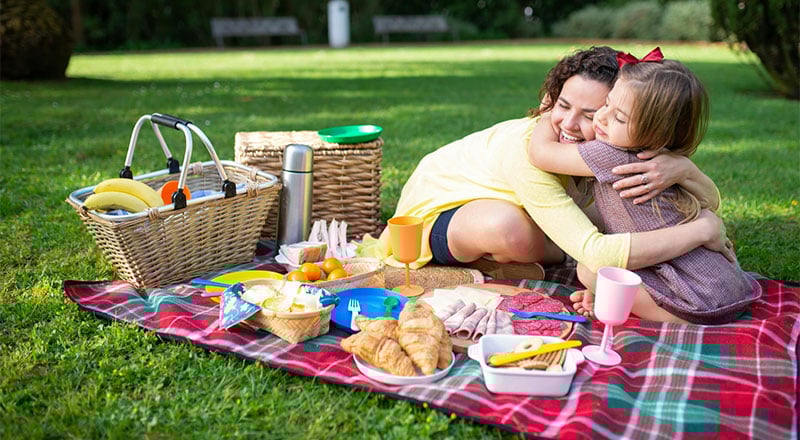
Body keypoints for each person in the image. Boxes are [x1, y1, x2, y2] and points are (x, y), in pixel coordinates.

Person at [376, 46, 732, 284]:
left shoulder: (618, 147)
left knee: (593, 224)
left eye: (591, 114)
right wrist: (702, 231)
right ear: (550, 99)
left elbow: (704, 201)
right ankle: (520, 255)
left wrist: (684, 170)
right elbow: (595, 253)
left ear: (620, 114)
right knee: (509, 227)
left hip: (519, 210)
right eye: (563, 105)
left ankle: (516, 261)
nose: (569, 124)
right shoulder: (533, 153)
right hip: (432, 220)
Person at [528, 48, 760, 324]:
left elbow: (540, 153)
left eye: (619, 118)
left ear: (655, 132)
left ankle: (675, 317)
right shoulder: (660, 156)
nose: (602, 118)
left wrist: (549, 110)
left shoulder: (610, 154)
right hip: (721, 282)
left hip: (701, 297)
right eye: (606, 104)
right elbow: (709, 200)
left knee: (590, 271)